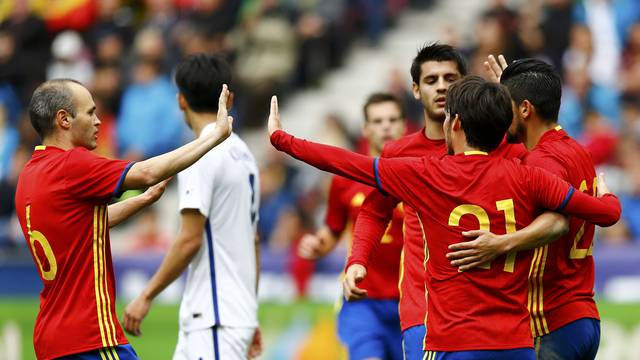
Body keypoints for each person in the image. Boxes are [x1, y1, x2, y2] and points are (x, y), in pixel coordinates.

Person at [266, 75, 621, 359]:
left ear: (455, 124)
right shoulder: (527, 175)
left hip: (454, 341)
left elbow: (346, 162)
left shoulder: (428, 175)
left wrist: (284, 140)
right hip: (516, 344)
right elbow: (606, 214)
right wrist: (607, 197)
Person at [14, 78, 233, 360]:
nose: (98, 121)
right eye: (90, 112)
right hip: (91, 338)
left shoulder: (30, 175)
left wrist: (142, 200)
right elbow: (146, 173)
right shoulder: (71, 165)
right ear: (64, 119)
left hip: (52, 340)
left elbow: (84, 225)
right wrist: (213, 137)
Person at [340, 43, 531, 360]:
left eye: (450, 78)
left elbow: (549, 182)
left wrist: (516, 120)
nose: (442, 86)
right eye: (431, 80)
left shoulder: (499, 147)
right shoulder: (400, 154)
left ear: (465, 84)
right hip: (424, 316)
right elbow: (373, 212)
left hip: (493, 320)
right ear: (415, 90)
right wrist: (358, 260)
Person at [447, 56, 604, 359]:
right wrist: (508, 87)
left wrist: (499, 244)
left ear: (525, 109)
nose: (500, 112)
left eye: (506, 104)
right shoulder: (577, 150)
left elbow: (556, 222)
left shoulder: (541, 161)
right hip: (583, 315)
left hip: (550, 319)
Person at [122, 54, 262, 360]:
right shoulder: (244, 153)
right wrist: (250, 313)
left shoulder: (198, 154)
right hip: (227, 315)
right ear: (230, 98)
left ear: (181, 101)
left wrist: (145, 296)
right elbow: (253, 240)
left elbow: (190, 238)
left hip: (214, 317)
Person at [298, 93, 406, 359]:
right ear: (365, 128)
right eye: (378, 121)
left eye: (392, 119)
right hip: (362, 299)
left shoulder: (420, 173)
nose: (386, 126)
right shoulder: (346, 177)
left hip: (413, 302)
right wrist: (318, 243)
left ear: (404, 125)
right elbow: (334, 228)